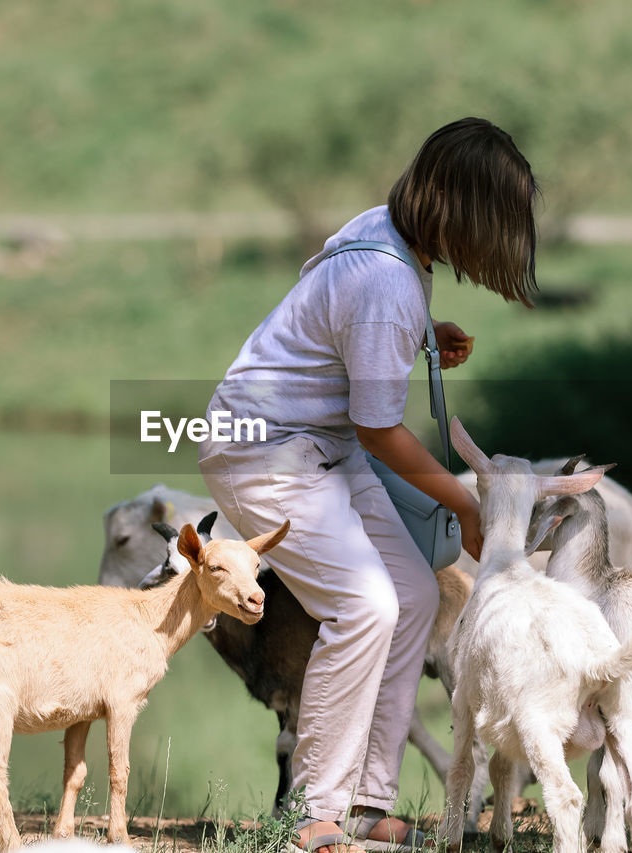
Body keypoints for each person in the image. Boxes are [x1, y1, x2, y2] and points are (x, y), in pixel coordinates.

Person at [197, 117, 538, 852]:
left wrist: (418, 331)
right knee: (363, 602)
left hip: (320, 442)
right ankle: (308, 812)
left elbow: (340, 316)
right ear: (456, 211)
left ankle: (361, 802)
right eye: (494, 228)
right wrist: (465, 503)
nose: (497, 248)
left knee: (413, 594)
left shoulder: (385, 234)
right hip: (264, 450)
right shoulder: (388, 280)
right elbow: (383, 430)